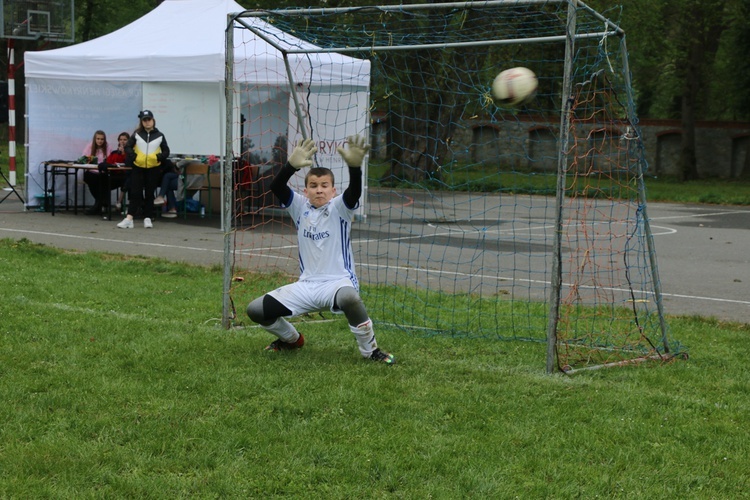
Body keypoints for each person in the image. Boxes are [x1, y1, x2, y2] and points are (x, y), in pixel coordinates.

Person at [246, 135, 395, 364]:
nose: (319, 190)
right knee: (255, 310)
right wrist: (290, 167)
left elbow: (354, 192)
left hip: (337, 283)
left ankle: (370, 351)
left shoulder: (340, 208)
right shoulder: (299, 206)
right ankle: (291, 340)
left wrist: (354, 168)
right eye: (313, 186)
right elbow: (276, 186)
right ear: (305, 191)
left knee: (350, 298)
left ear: (333, 190)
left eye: (324, 186)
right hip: (306, 285)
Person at [117, 110, 170, 229]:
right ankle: (129, 218)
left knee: (150, 193)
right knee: (135, 192)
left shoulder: (160, 135)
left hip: (153, 168)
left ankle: (148, 218)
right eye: (144, 120)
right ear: (142, 122)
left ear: (153, 120)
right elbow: (128, 147)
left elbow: (166, 151)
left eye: (149, 119)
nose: (147, 122)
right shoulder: (136, 134)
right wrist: (134, 156)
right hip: (138, 167)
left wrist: (158, 157)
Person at [84, 131, 130, 215]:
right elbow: (84, 158)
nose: (100, 141)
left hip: (111, 174)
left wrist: (122, 153)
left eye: (102, 139)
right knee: (89, 177)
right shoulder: (91, 146)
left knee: (101, 179)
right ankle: (101, 202)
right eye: (98, 139)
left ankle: (99, 204)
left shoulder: (129, 152)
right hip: (93, 171)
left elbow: (112, 163)